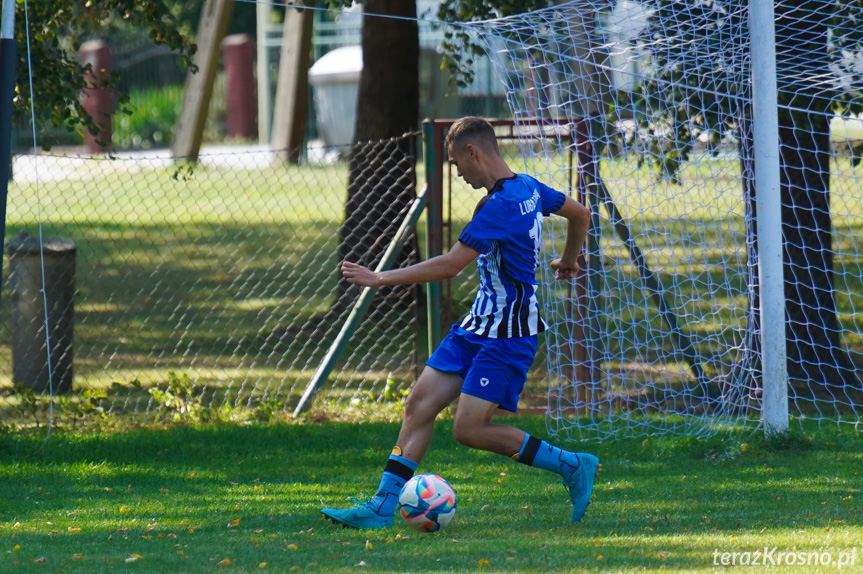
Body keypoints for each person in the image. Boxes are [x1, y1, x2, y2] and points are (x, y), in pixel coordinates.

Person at [321, 116, 598, 530]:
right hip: (476, 325)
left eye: (455, 163)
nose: (457, 172)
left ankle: (574, 465)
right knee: (418, 405)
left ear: (474, 152)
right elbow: (580, 214)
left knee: (469, 429)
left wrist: (380, 277)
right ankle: (380, 508)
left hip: (508, 334)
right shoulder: (527, 188)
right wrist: (570, 259)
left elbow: (451, 265)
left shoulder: (502, 205)